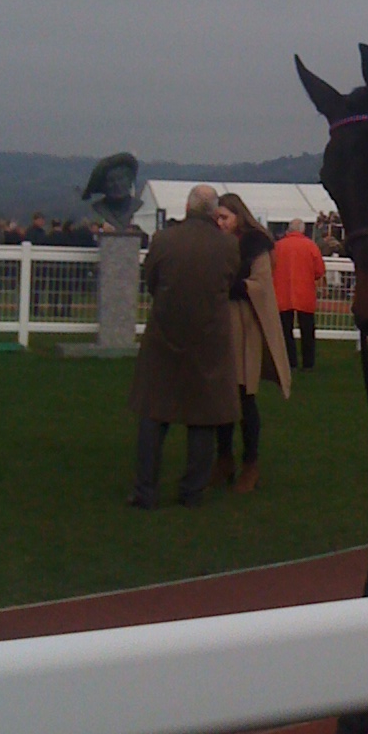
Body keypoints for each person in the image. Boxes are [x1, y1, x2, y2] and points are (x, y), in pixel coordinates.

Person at [127, 185, 240, 509]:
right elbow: (229, 282)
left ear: (188, 207)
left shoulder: (163, 240)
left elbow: (151, 280)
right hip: (209, 337)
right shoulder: (228, 245)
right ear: (213, 211)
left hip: (164, 334)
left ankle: (145, 491)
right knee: (203, 416)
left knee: (153, 413)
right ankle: (192, 491)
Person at [211, 192, 291, 492]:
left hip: (245, 326)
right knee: (222, 396)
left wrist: (229, 285)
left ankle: (250, 463)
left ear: (238, 216)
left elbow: (261, 285)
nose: (220, 223)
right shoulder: (216, 244)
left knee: (245, 396)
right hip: (222, 324)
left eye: (225, 217)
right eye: (217, 218)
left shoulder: (255, 245)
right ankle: (224, 459)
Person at [271, 218, 326, 372]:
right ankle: (308, 363)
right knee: (307, 330)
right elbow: (319, 271)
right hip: (305, 293)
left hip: (282, 293)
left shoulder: (278, 246)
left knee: (285, 330)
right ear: (302, 230)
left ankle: (291, 362)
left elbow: (271, 267)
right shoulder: (310, 246)